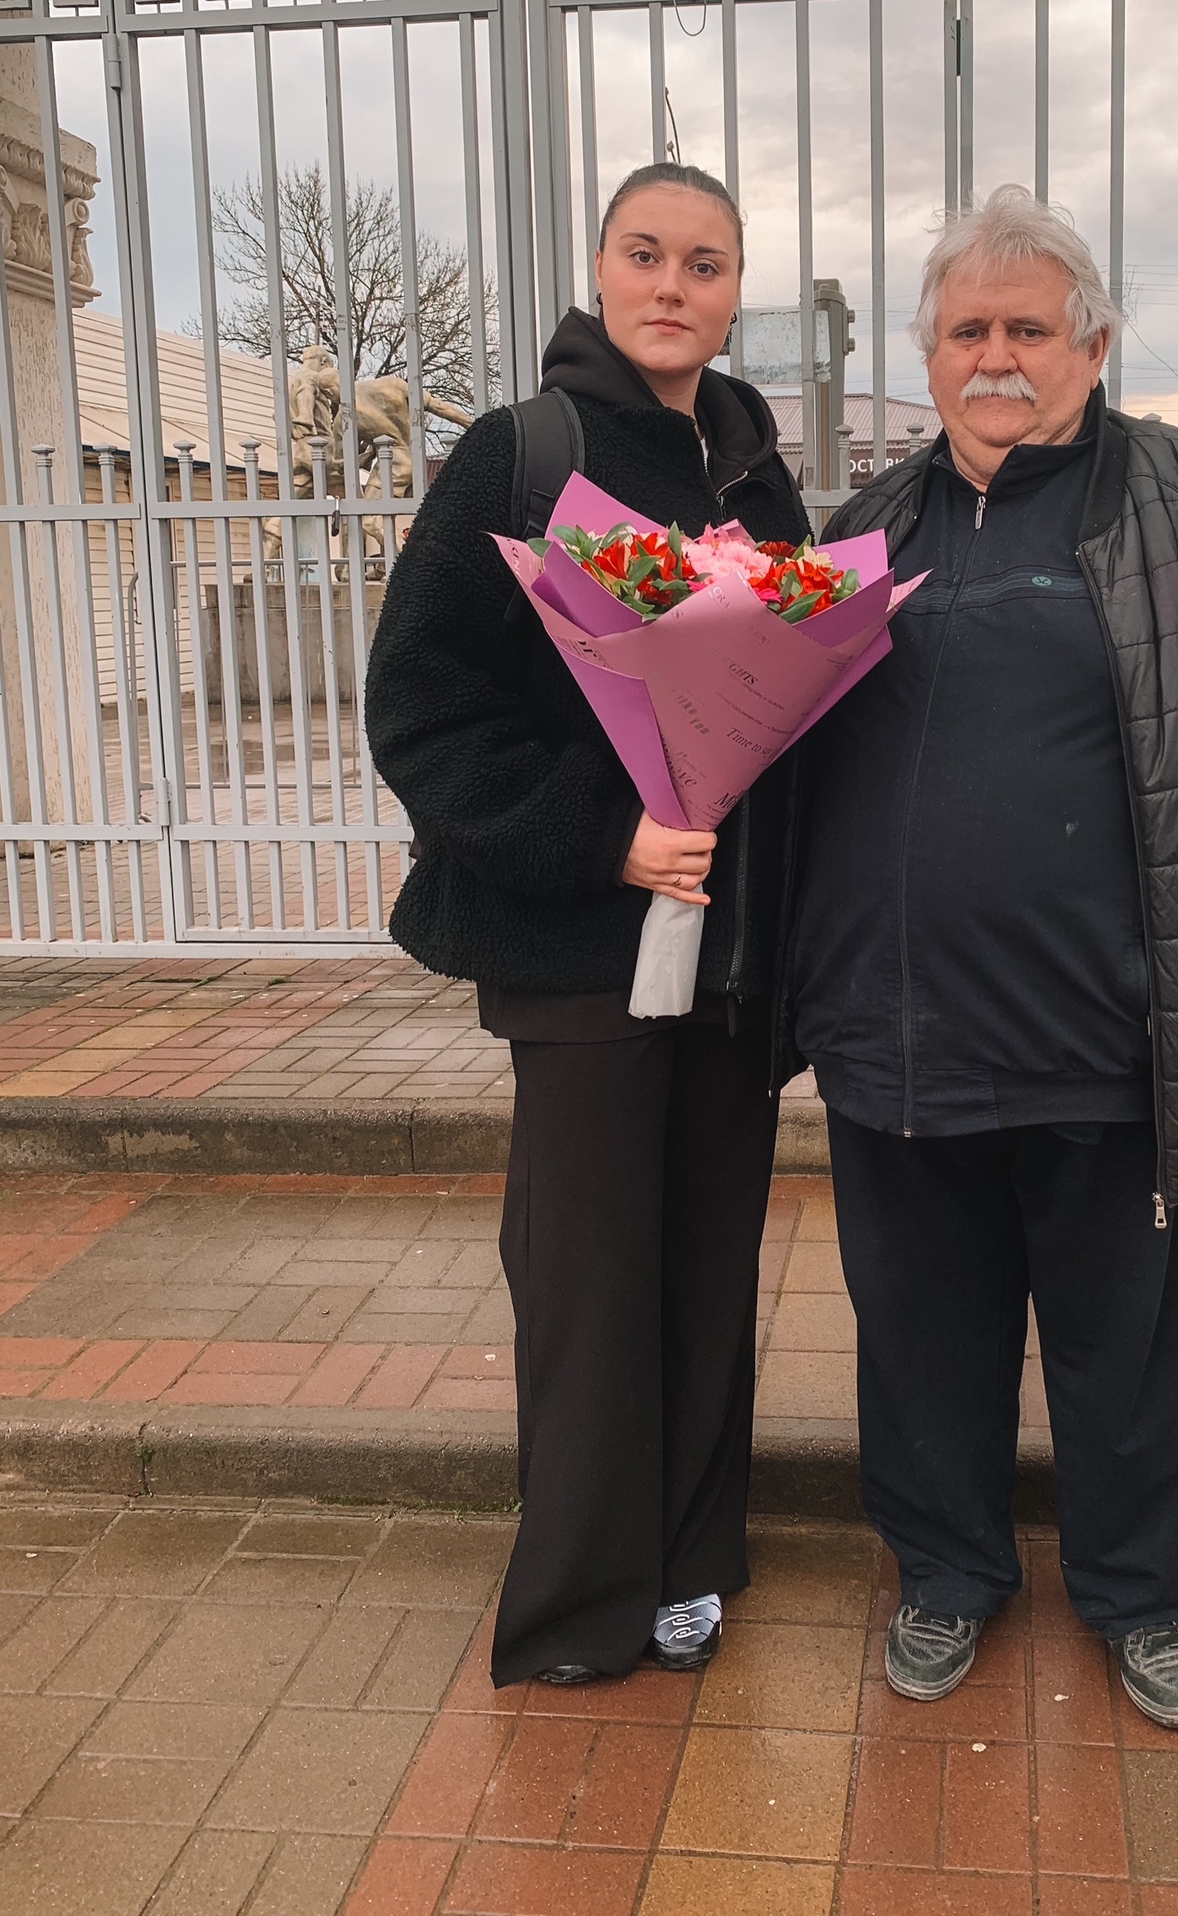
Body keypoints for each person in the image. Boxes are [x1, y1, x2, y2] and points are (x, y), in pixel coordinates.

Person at [791, 185, 1178, 1729]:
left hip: (1116, 1034)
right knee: (920, 1339)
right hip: (897, 1036)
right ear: (927, 354)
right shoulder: (857, 535)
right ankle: (944, 1572)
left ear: (1096, 347)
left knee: (1125, 1354)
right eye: (965, 331)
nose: (995, 356)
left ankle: (1143, 1596)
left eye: (1028, 329)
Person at [365, 163, 809, 1687]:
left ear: (736, 289)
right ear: (601, 268)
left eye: (705, 262)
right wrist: (603, 836)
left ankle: (689, 1561)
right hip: (581, 960)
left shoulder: (759, 480)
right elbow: (422, 706)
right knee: (588, 1282)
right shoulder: (522, 458)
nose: (672, 285)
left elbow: (791, 704)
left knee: (708, 1268)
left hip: (728, 957)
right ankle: (578, 1600)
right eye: (645, 253)